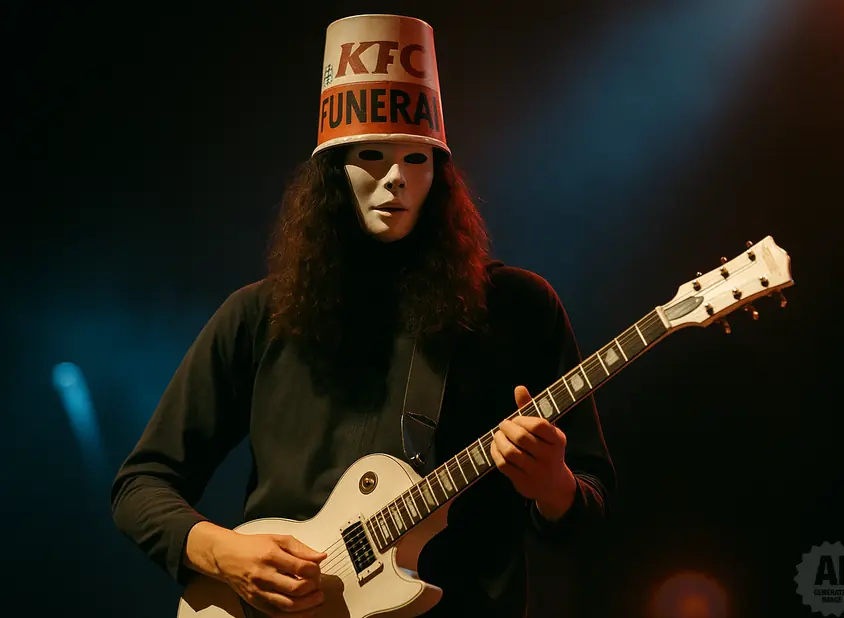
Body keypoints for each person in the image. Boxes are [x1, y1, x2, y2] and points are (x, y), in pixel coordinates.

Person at [111, 13, 616, 618]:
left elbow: (588, 506)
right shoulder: (257, 316)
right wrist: (222, 554)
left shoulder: (517, 309)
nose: (396, 179)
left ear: (442, 173)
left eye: (418, 159)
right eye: (371, 157)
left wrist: (553, 488)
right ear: (331, 174)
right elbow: (141, 484)